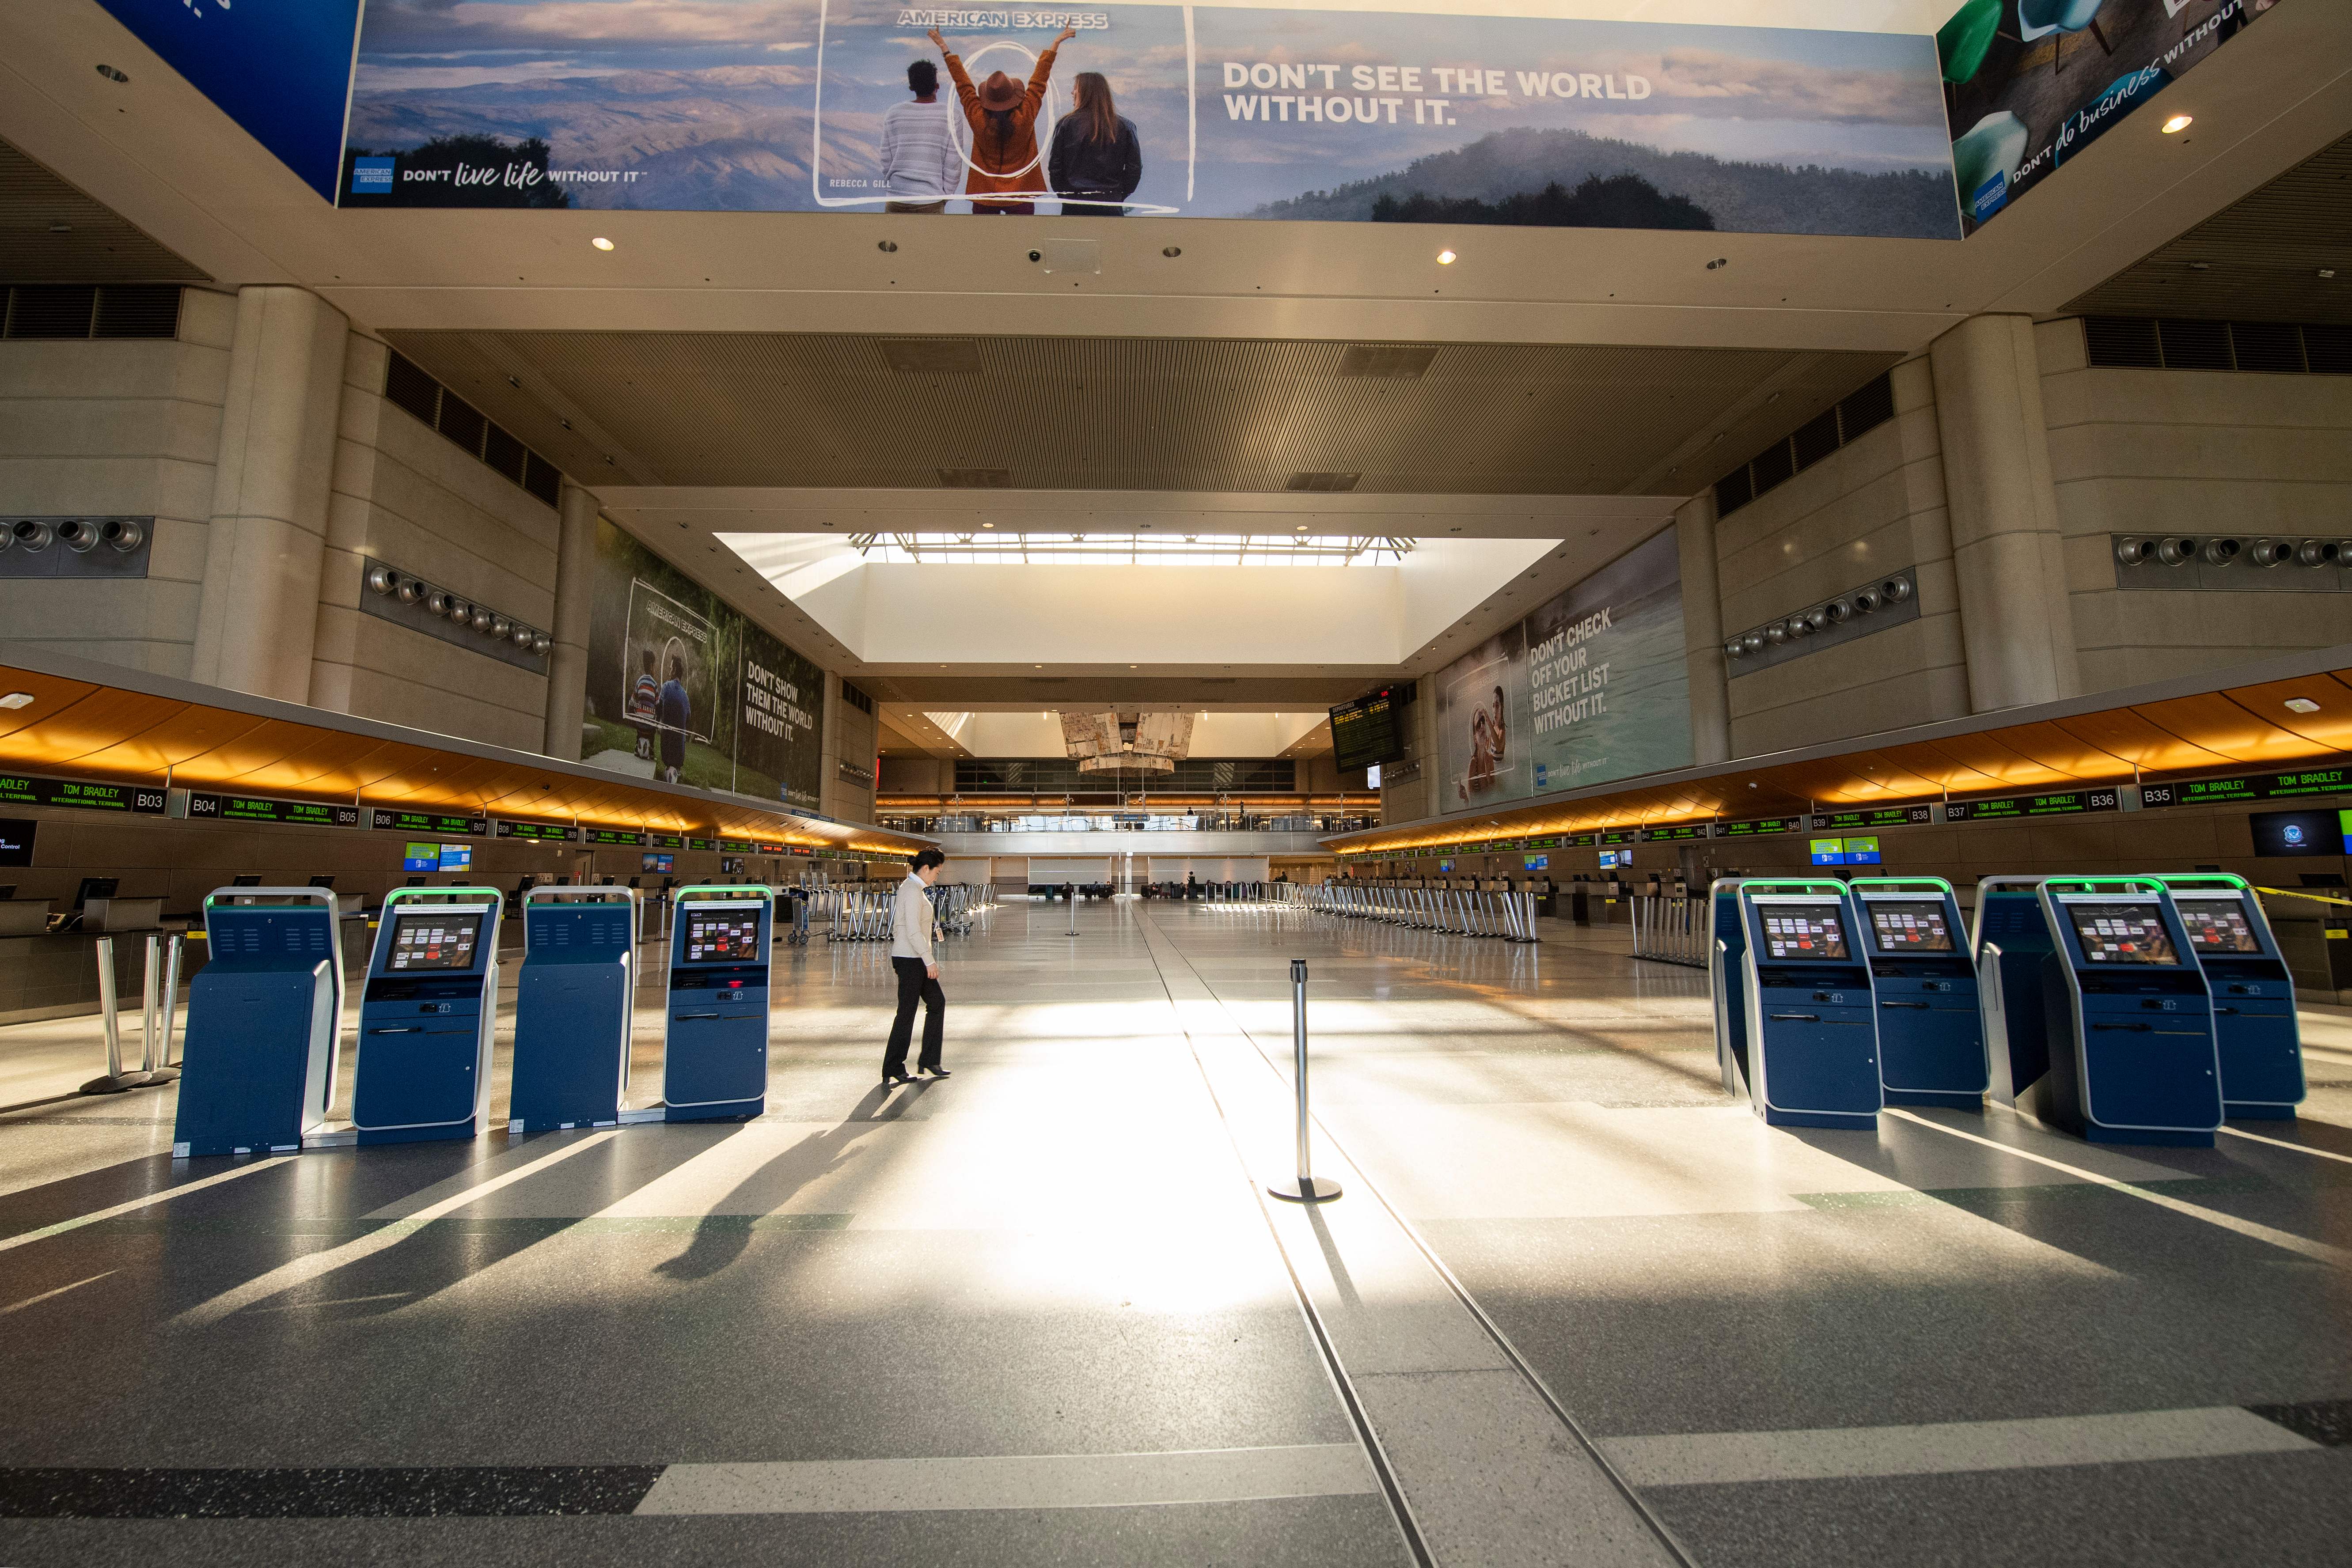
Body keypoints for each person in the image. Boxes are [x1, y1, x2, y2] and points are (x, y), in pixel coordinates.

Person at [931, 24, 1073, 215]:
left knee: (985, 244)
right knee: (1022, 243)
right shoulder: (1026, 115)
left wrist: (945, 49)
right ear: (1014, 96)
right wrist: (1055, 44)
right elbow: (1039, 82)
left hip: (984, 195)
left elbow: (963, 86)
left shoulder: (978, 118)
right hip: (1021, 195)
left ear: (988, 98)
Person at [884, 848, 952, 1086]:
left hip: (915, 958)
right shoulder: (911, 891)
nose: (937, 877)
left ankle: (930, 1059)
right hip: (910, 960)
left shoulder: (914, 889)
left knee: (937, 1003)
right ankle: (893, 1066)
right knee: (907, 1012)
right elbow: (912, 930)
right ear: (926, 869)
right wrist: (929, 960)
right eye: (937, 872)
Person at [1048, 72, 1141, 216]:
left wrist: (1066, 196)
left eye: (1076, 88)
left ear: (1085, 92)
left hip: (1074, 204)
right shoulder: (1126, 127)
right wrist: (1118, 195)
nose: (1072, 92)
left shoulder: (1066, 124)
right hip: (1110, 203)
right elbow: (1134, 169)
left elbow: (1055, 168)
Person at [879, 58, 960, 213]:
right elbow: (953, 164)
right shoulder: (951, 116)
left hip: (896, 198)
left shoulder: (893, 113)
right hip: (931, 200)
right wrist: (944, 197)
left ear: (911, 87)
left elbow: (885, 160)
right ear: (937, 86)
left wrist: (894, 187)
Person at [656, 653, 690, 784]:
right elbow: (688, 718)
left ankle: (670, 770)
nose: (669, 671)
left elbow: (659, 708)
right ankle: (675, 770)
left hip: (667, 748)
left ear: (675, 670)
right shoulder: (686, 697)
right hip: (679, 752)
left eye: (671, 669)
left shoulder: (666, 687)